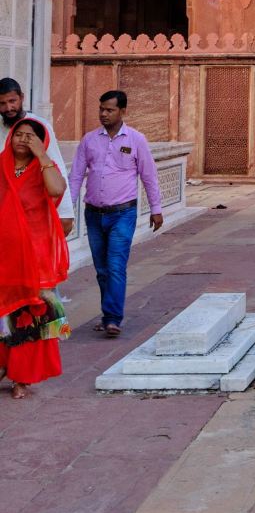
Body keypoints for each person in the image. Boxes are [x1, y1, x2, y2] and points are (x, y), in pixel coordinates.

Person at [67, 90, 163, 338]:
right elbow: (76, 176)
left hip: (123, 213)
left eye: (109, 110)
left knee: (116, 265)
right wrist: (66, 210)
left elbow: (149, 176)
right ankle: (107, 313)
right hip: (94, 214)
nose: (104, 114)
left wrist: (156, 209)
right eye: (101, 109)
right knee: (102, 269)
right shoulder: (89, 140)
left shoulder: (136, 140)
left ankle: (112, 318)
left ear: (122, 111)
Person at [0, 117, 70, 397]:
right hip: (4, 256)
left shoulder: (44, 168)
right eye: (19, 134)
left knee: (28, 317)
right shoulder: (0, 165)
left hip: (35, 258)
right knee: (4, 312)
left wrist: (42, 155)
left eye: (31, 136)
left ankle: (22, 377)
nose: (23, 139)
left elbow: (57, 190)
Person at [0, 77, 72, 236]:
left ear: (22, 98)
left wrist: (66, 212)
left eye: (12, 101)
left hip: (33, 212)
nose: (8, 108)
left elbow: (56, 166)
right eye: (2, 103)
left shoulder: (40, 126)